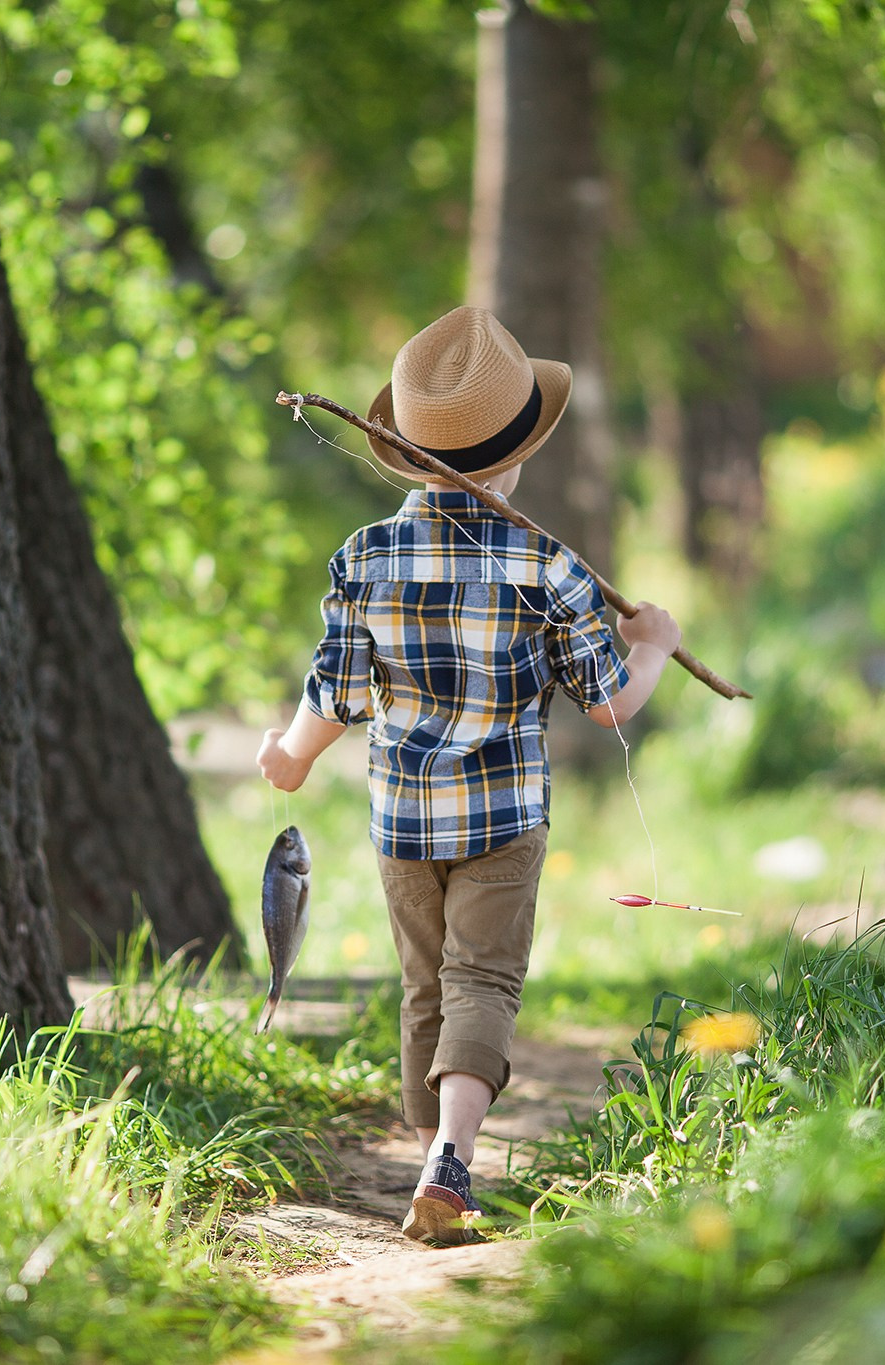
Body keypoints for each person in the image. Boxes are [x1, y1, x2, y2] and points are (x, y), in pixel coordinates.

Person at [255, 306, 681, 1246]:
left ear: (409, 454)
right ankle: (453, 1156)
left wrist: (289, 756)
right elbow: (609, 704)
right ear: (516, 457)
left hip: (403, 822)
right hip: (504, 818)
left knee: (425, 987)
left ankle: (428, 1162)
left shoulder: (363, 557)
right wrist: (651, 645)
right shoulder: (549, 566)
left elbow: (335, 689)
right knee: (483, 978)